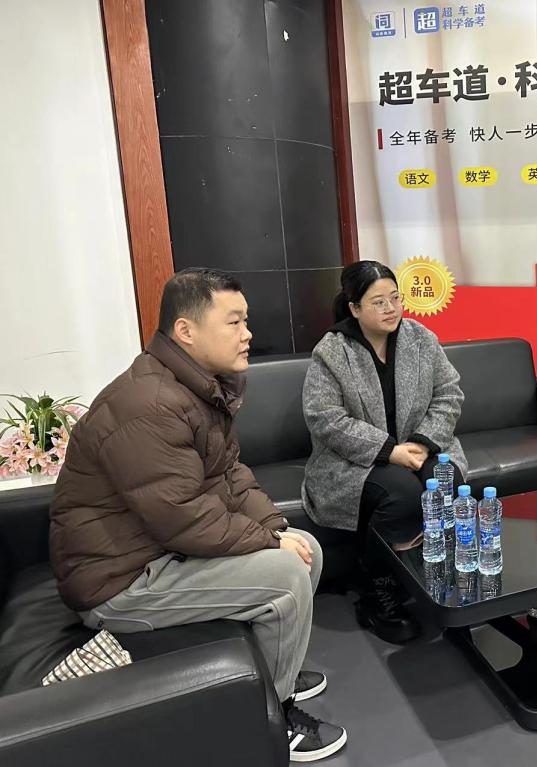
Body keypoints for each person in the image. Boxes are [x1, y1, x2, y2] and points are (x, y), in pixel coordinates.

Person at [49, 268, 346, 763]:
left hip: (159, 552)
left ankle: (273, 674)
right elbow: (181, 514)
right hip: (117, 583)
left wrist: (273, 528)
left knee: (304, 548)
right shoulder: (150, 403)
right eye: (234, 322)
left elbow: (228, 476)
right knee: (287, 575)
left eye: (245, 320)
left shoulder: (195, 388)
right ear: (186, 330)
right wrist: (269, 544)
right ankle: (269, 717)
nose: (248, 333)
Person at [302, 260, 466, 644]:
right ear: (355, 307)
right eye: (378, 302)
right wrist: (389, 451)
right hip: (353, 460)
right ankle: (378, 589)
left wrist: (423, 442)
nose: (391, 309)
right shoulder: (333, 351)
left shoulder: (421, 338)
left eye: (395, 298)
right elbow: (325, 418)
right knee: (402, 494)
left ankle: (432, 578)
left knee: (447, 481)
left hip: (421, 447)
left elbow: (449, 393)